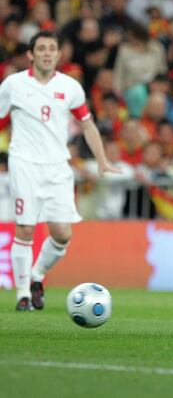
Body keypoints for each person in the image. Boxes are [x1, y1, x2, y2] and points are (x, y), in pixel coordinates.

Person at [0, 30, 119, 311]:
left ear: (58, 54)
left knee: (63, 233)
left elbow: (88, 125)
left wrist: (101, 160)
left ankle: (36, 276)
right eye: (40, 48)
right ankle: (22, 296)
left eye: (51, 48)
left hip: (57, 167)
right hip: (24, 163)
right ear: (30, 54)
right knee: (26, 227)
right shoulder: (12, 85)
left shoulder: (70, 87)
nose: (46, 53)